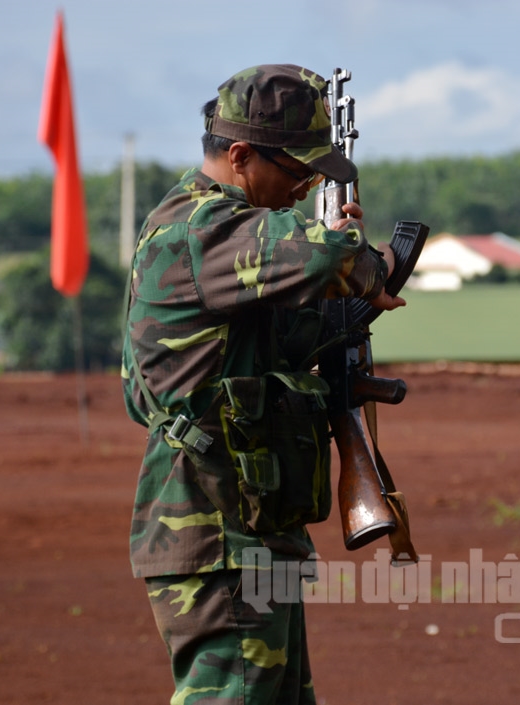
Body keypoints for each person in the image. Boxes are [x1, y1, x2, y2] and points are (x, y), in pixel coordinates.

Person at [121, 64, 404, 705]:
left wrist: (343, 300)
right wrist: (353, 252)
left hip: (248, 520)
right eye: (298, 169)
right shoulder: (204, 228)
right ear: (241, 155)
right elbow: (333, 256)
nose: (307, 187)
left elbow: (283, 341)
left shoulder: (228, 243)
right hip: (215, 528)